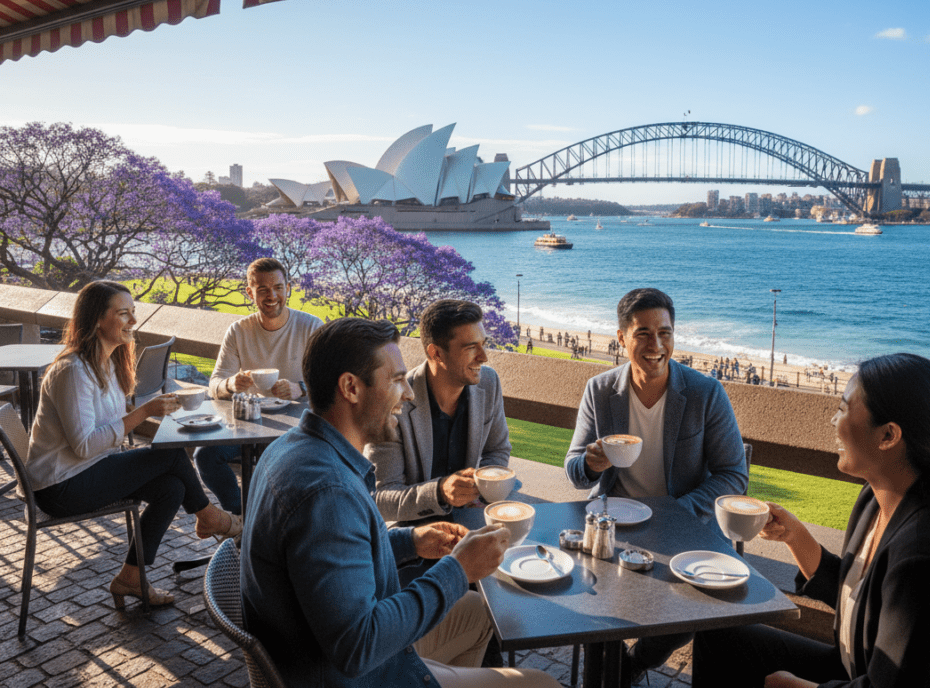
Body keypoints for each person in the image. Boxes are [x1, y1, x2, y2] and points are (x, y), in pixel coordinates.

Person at [241, 317, 559, 688]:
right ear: (351, 388)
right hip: (350, 674)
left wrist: (411, 541)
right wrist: (459, 570)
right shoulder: (328, 494)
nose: (408, 393)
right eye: (396, 380)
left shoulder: (290, 447)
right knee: (541, 683)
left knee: (476, 611)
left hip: (320, 652)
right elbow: (359, 646)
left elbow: (339, 551)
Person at [692, 353, 930, 688]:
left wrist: (796, 686)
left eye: (842, 408)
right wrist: (794, 535)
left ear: (888, 436)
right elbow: (858, 593)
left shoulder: (924, 562)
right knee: (718, 638)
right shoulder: (877, 497)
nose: (832, 421)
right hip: (856, 668)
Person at [564, 288, 748, 682]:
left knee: (693, 608)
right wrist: (592, 464)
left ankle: (635, 664)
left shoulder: (705, 393)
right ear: (621, 339)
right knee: (592, 604)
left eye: (664, 332)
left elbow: (734, 474)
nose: (656, 345)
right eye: (643, 334)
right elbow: (574, 469)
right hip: (614, 526)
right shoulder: (600, 390)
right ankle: (606, 672)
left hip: (683, 526)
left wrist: (676, 509)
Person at [25, 281, 239, 608]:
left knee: (171, 488)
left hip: (88, 471)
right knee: (170, 457)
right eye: (123, 313)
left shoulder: (106, 365)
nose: (133, 322)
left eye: (133, 313)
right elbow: (83, 446)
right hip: (61, 486)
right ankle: (211, 517)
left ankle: (130, 577)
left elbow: (103, 433)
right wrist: (144, 413)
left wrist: (151, 413)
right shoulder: (72, 371)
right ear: (97, 319)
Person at [367, 299, 511, 523]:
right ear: (436, 354)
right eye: (471, 347)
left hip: (472, 519)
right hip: (413, 531)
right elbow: (382, 498)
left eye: (484, 344)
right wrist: (440, 493)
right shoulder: (394, 401)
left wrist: (482, 488)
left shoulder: (488, 382)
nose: (484, 357)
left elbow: (497, 451)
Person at [196, 257, 322, 514]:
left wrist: (302, 388)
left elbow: (332, 378)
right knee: (204, 456)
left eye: (277, 287)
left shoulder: (311, 327)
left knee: (271, 460)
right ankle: (242, 513)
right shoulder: (238, 331)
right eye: (262, 289)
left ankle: (265, 519)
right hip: (247, 423)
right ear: (249, 292)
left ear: (288, 288)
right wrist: (232, 383)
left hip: (296, 424)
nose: (271, 295)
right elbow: (215, 383)